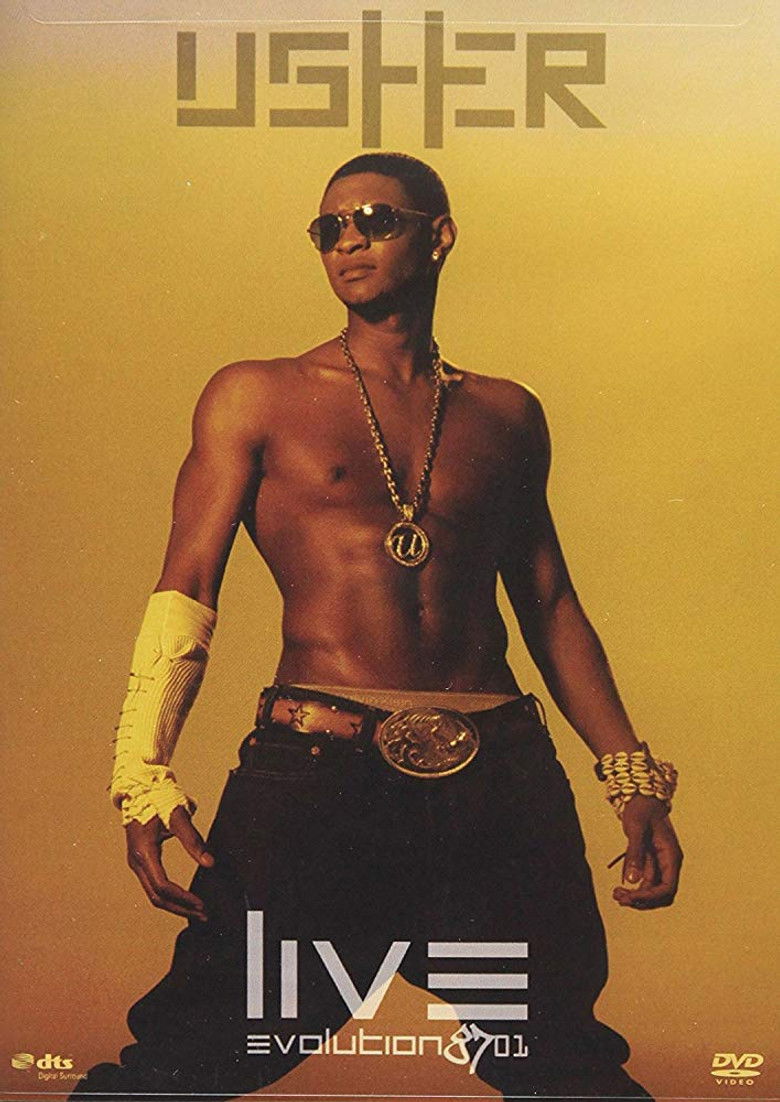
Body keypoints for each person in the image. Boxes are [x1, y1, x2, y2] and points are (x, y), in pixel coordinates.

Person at [73, 151, 682, 1102]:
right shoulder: (257, 394)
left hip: (500, 777)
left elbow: (551, 603)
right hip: (319, 775)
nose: (348, 241)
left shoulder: (508, 414)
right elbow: (185, 586)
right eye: (329, 228)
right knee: (188, 1059)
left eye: (375, 220)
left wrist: (630, 777)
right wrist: (139, 772)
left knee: (563, 1064)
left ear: (439, 237)